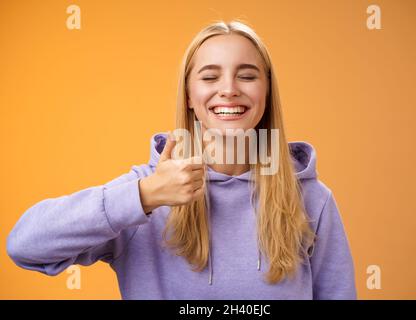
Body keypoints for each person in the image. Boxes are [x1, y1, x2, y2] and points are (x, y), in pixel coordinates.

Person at [6, 20, 356, 299]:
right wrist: (143, 196)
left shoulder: (311, 199)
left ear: (266, 92)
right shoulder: (146, 194)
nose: (229, 88)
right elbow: (24, 245)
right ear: (189, 95)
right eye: (210, 76)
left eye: (247, 75)